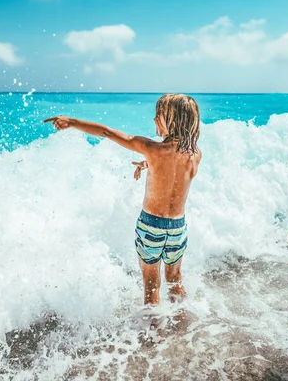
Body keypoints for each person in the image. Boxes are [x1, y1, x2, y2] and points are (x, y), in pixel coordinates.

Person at [44, 94, 201, 305]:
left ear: (173, 121)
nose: (154, 120)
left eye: (159, 116)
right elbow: (174, 170)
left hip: (151, 226)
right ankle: (182, 325)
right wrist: (147, 165)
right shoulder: (195, 154)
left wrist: (71, 122)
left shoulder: (151, 149)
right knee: (175, 280)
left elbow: (107, 132)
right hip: (177, 229)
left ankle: (156, 335)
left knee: (151, 286)